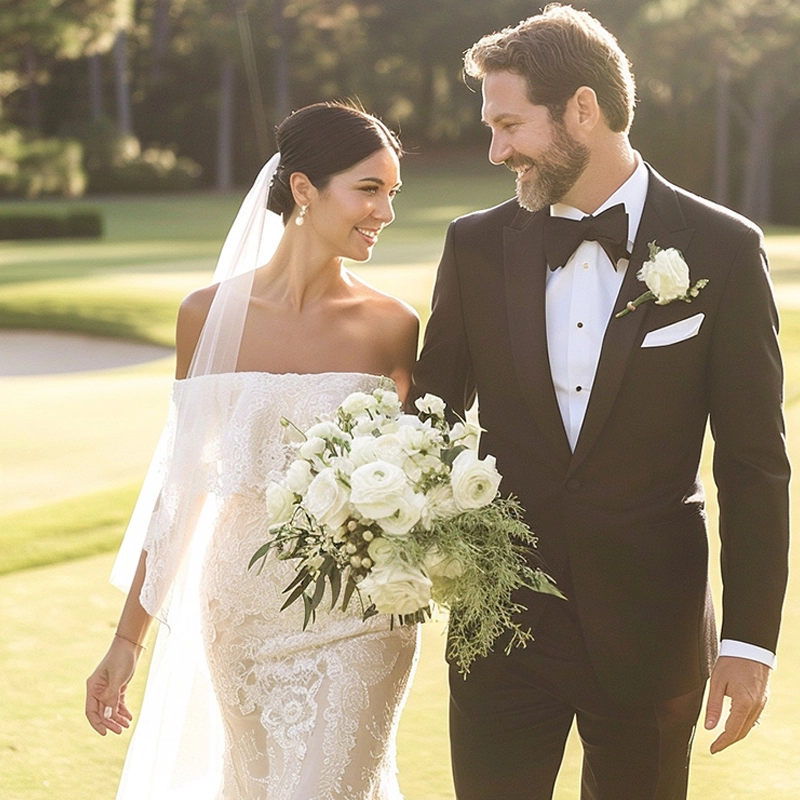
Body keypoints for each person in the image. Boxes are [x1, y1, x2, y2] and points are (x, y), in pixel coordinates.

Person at [410, 5, 789, 799]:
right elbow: (430, 426)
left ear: (583, 108)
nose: (495, 149)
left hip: (654, 633)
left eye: (510, 123)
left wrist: (751, 643)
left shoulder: (723, 247)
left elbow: (755, 464)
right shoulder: (474, 246)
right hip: (500, 627)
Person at [86, 102, 420, 800]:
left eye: (393, 192)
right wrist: (127, 641)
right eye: (369, 189)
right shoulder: (203, 316)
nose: (385, 211)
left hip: (360, 611)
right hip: (238, 609)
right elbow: (180, 488)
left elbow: (417, 471)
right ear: (303, 189)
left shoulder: (392, 327)